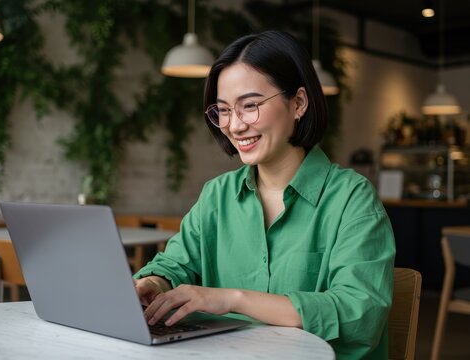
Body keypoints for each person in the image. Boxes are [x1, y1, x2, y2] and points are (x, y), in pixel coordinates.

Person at [134, 30, 395, 359]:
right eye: (224, 110)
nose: (235, 125)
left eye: (250, 105)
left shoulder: (350, 199)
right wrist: (154, 284)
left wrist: (231, 299)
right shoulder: (217, 195)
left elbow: (360, 314)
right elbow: (174, 265)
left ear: (298, 103)